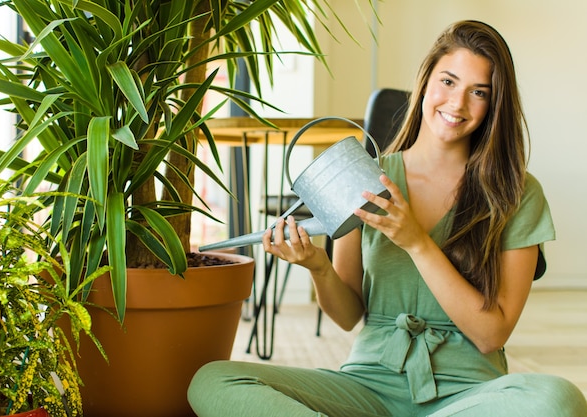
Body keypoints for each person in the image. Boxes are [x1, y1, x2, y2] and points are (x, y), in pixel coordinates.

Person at [188, 20, 587, 416]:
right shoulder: (364, 176)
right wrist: (318, 267)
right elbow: (348, 317)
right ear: (426, 80)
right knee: (214, 380)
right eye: (448, 82)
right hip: (368, 386)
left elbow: (491, 334)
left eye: (478, 92)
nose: (457, 103)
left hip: (469, 397)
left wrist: (416, 242)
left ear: (494, 104)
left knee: (558, 399)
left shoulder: (516, 192)